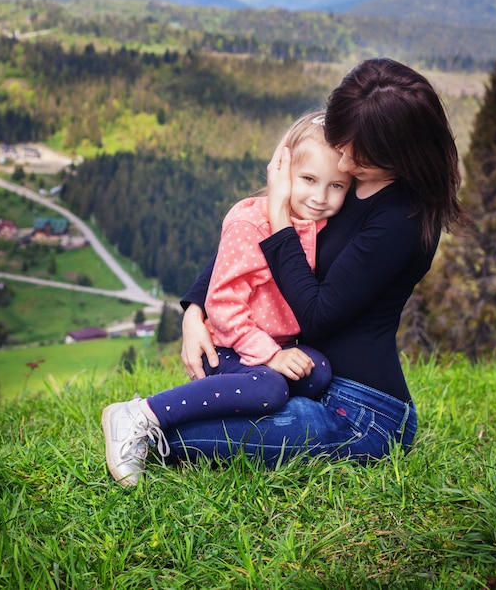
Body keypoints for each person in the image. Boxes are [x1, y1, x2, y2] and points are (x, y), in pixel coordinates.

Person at [103, 57, 469, 485]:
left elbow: (316, 313)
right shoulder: (343, 179)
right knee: (250, 401)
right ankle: (140, 419)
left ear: (400, 153)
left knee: (182, 438)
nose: (345, 161)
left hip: (363, 412)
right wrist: (195, 309)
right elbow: (246, 243)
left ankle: (137, 420)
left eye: (361, 153)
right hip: (309, 376)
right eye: (344, 139)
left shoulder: (399, 221)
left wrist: (279, 213)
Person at [102, 111, 353, 486]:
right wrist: (271, 356)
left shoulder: (321, 225)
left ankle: (222, 417)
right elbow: (222, 304)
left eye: (336, 186)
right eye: (309, 179)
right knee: (270, 387)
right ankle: (141, 415)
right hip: (229, 344)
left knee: (317, 373)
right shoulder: (251, 223)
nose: (320, 197)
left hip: (272, 345)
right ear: (281, 174)